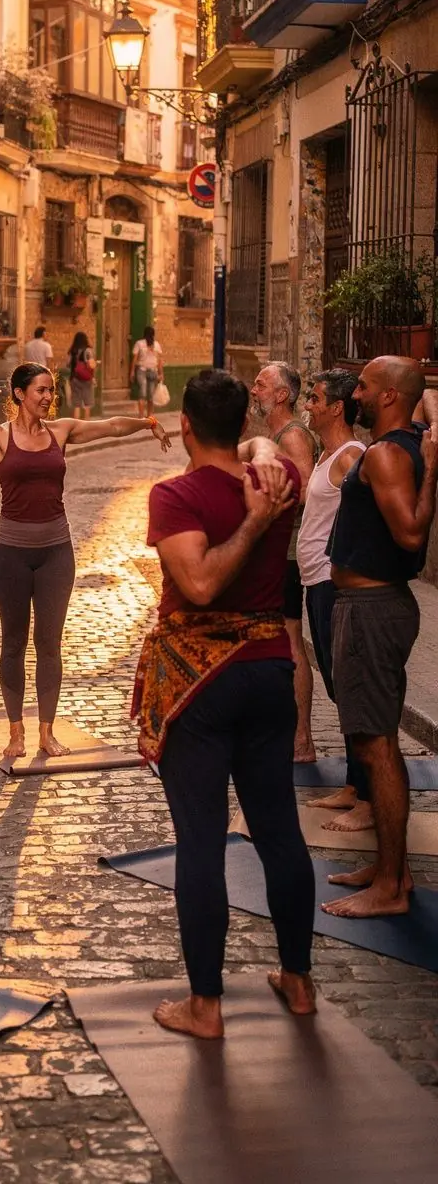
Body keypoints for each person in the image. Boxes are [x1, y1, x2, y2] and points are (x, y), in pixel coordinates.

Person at [133, 369, 315, 1039]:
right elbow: (279, 456)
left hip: (200, 688)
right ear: (244, 424)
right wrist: (263, 471)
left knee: (202, 845)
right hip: (267, 671)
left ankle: (206, 1006)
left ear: (184, 425)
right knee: (278, 832)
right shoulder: (277, 479)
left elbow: (202, 583)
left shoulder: (176, 495)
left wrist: (249, 525)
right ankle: (297, 980)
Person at [0, 365, 170, 761]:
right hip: (9, 554)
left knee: (49, 644)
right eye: (40, 390)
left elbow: (110, 426)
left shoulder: (61, 431)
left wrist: (147, 421)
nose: (47, 397)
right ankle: (15, 732)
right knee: (13, 642)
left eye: (51, 391)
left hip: (57, 552)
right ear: (20, 393)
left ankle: (46, 732)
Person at [322, 357, 437, 920]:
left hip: (371, 610)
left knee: (377, 746)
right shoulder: (404, 439)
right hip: (367, 606)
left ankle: (390, 885)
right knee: (378, 742)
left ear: (389, 396)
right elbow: (426, 403)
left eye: (364, 386)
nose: (356, 394)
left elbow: (411, 532)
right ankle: (392, 867)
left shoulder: (390, 453)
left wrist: (433, 468)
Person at [297, 370, 371, 829]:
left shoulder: (352, 456)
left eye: (316, 398)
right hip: (315, 583)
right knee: (336, 688)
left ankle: (367, 798)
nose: (309, 404)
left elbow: (369, 519)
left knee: (351, 688)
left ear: (337, 407)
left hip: (333, 584)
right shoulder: (326, 455)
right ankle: (352, 784)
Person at [244, 361, 318, 762]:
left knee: (291, 640)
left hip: (288, 552)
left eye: (261, 385)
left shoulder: (292, 436)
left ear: (281, 395)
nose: (254, 391)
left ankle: (302, 739)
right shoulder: (275, 434)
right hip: (278, 549)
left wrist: (263, 506)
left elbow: (305, 491)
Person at [130, 326, 163, 419]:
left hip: (142, 370)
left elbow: (135, 359)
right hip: (153, 370)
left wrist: (132, 372)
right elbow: (160, 361)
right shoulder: (157, 345)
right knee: (151, 395)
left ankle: (141, 416)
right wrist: (161, 373)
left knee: (142, 393)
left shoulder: (139, 344)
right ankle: (150, 415)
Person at [68, 331, 97, 419]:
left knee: (76, 404)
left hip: (74, 379)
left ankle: (76, 426)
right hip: (86, 379)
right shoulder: (87, 351)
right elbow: (91, 365)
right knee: (87, 404)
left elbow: (68, 364)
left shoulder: (72, 351)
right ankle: (86, 425)